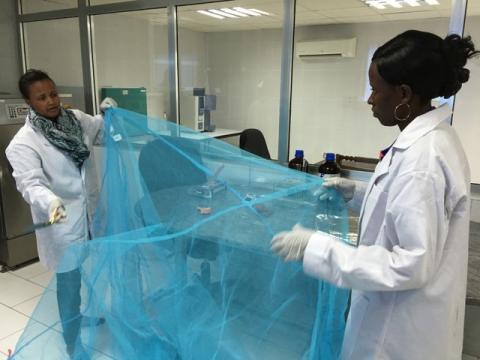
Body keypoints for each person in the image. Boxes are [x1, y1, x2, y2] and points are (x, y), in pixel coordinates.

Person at [271, 30, 479, 359]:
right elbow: (404, 201)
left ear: (404, 95)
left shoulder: (422, 159)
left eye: (375, 90)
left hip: (398, 335)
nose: (369, 99)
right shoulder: (433, 140)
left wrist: (317, 248)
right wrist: (356, 192)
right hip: (404, 321)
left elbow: (410, 265)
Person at [6, 69, 117, 359]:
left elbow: (101, 133)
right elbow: (29, 183)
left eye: (53, 93)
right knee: (68, 282)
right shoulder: (24, 142)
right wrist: (50, 200)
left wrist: (108, 116)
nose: (51, 101)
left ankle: (84, 314)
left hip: (90, 213)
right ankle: (72, 341)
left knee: (88, 271)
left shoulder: (76, 119)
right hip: (61, 223)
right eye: (41, 97)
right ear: (29, 103)